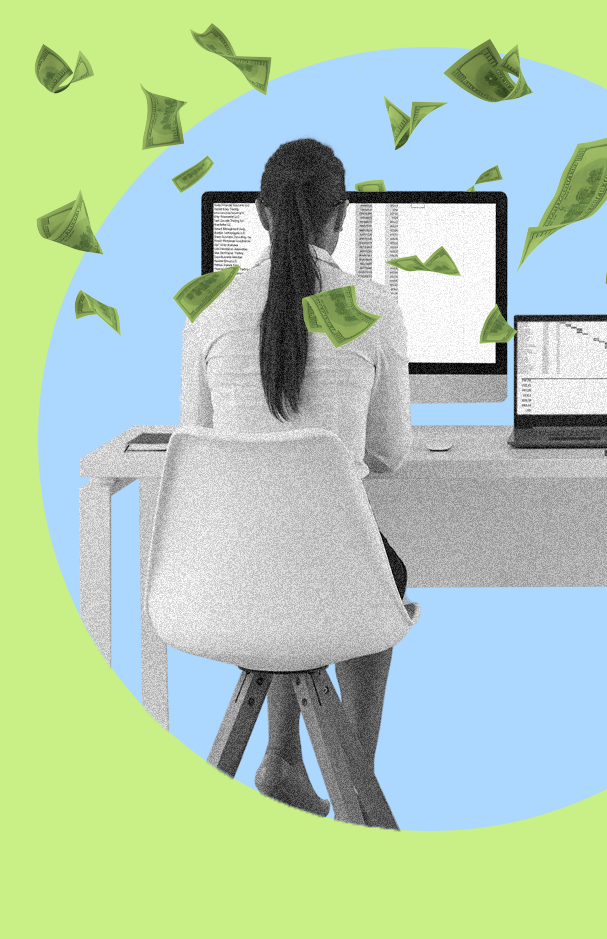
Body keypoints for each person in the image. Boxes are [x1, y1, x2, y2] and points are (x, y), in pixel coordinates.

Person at [178, 137, 414, 817]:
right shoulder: (371, 306)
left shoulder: (209, 311)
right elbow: (389, 454)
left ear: (261, 215)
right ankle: (354, 777)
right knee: (362, 567)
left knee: (281, 554)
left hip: (228, 584)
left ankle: (282, 755)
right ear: (340, 218)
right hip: (330, 583)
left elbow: (198, 439)